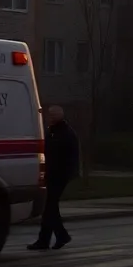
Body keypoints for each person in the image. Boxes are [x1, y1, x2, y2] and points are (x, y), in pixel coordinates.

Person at [29, 105, 80, 251]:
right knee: (50, 208)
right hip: (53, 174)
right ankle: (46, 239)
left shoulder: (65, 134)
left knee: (50, 207)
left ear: (59, 116)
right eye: (49, 115)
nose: (48, 118)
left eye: (52, 115)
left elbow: (66, 157)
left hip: (59, 175)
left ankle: (59, 236)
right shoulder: (53, 132)